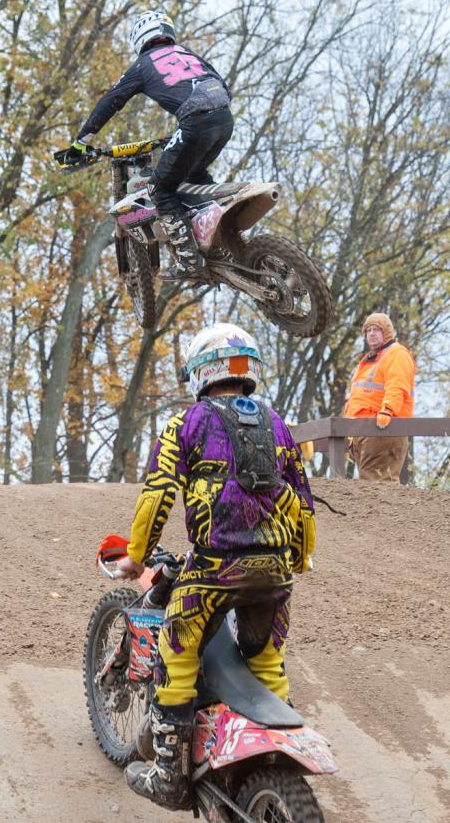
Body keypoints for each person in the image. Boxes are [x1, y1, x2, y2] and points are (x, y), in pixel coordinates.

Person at [112, 322, 316, 810]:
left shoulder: (189, 422)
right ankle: (276, 757)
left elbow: (159, 494)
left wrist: (137, 556)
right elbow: (303, 501)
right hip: (275, 576)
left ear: (202, 370)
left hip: (211, 574)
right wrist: (298, 559)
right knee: (266, 657)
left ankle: (168, 774)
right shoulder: (278, 426)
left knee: (175, 656)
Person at [61, 10, 233, 279]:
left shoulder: (143, 64)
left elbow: (112, 100)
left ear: (139, 37)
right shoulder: (186, 53)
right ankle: (218, 231)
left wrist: (82, 141)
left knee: (159, 189)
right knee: (195, 173)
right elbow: (220, 84)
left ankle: (190, 261)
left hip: (194, 123)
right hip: (224, 119)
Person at [342, 312, 416, 482]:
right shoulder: (370, 359)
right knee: (370, 485)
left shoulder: (397, 354)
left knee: (378, 486)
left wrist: (387, 410)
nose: (372, 334)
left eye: (376, 329)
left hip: (384, 429)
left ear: (387, 332)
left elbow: (397, 386)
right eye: (368, 331)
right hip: (365, 431)